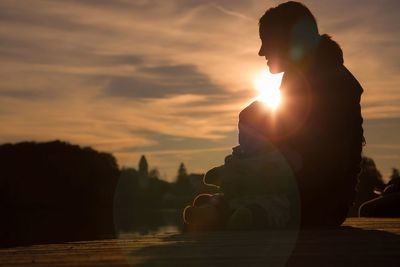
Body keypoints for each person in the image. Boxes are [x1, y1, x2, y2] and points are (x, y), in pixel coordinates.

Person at [257, 1, 364, 227]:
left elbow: (315, 161)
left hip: (318, 204)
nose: (261, 52)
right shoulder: (304, 77)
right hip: (309, 198)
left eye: (266, 41)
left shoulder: (328, 83)